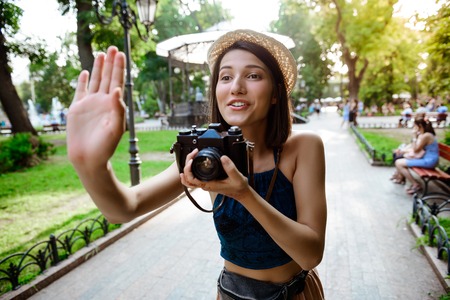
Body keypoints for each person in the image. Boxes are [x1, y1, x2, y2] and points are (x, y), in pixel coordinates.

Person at [66, 29, 327, 299]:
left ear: (275, 93)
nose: (236, 86)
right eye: (225, 77)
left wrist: (244, 194)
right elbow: (124, 208)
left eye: (253, 75)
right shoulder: (206, 152)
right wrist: (93, 166)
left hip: (295, 294)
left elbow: (310, 255)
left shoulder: (302, 147)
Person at [394, 118, 439, 194]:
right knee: (400, 160)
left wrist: (414, 137)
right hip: (426, 160)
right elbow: (415, 148)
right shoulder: (425, 135)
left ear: (420, 126)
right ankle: (402, 178)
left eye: (415, 126)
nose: (414, 128)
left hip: (429, 161)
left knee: (399, 163)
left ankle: (415, 184)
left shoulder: (426, 136)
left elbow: (416, 150)